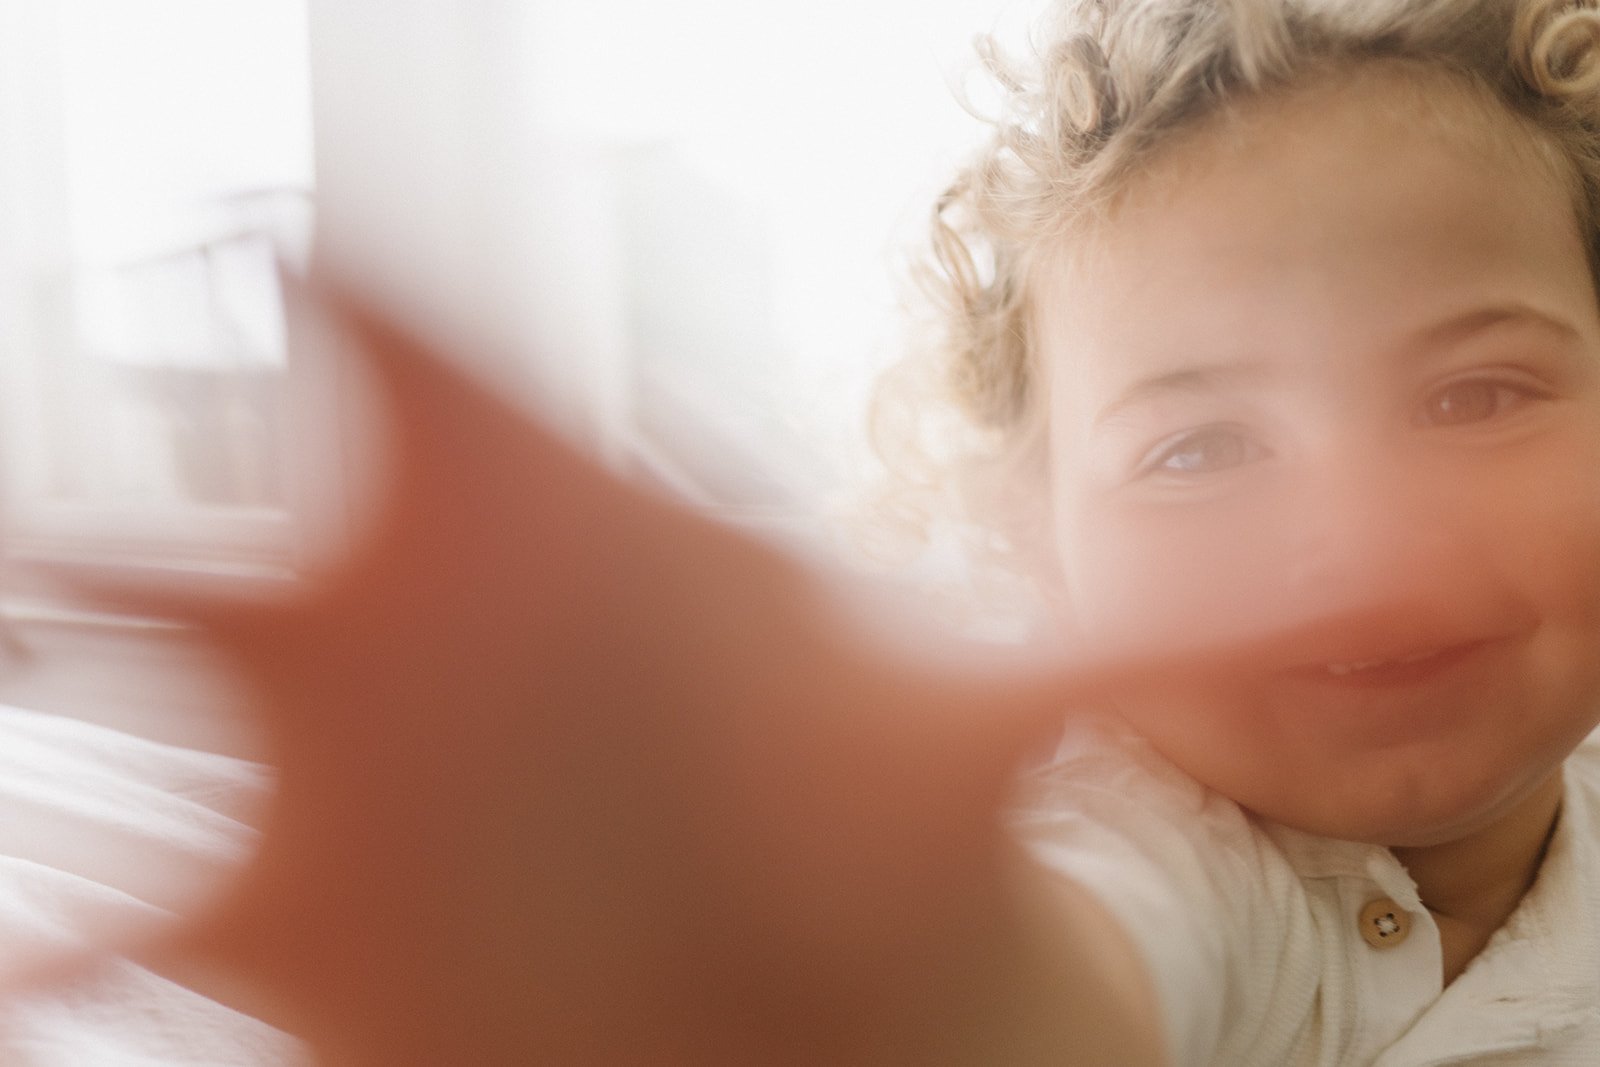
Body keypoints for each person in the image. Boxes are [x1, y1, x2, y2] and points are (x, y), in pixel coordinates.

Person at [49, 0, 1600, 1062]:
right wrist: (839, 963)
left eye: (1476, 395)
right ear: (1044, 549)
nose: (1357, 533)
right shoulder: (1172, 845)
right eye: (1200, 449)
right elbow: (1034, 986)